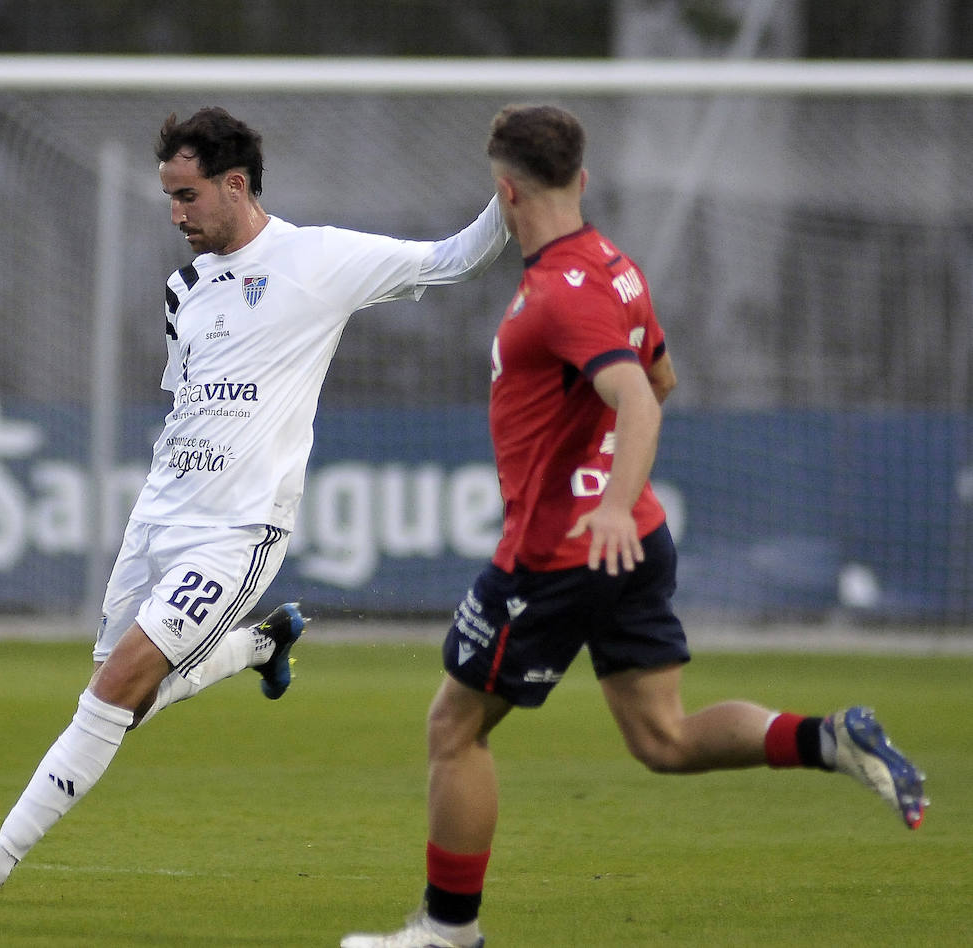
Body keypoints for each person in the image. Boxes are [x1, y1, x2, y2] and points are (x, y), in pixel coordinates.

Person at [340, 104, 928, 948]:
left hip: (559, 553)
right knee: (664, 738)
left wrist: (604, 499)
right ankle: (830, 739)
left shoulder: (557, 294)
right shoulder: (617, 267)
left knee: (453, 730)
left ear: (504, 193)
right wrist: (607, 479)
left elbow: (640, 394)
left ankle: (447, 933)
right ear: (580, 180)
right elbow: (665, 372)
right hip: (634, 544)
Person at [0, 106, 511, 902]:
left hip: (238, 530)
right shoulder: (183, 291)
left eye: (187, 196)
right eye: (169, 197)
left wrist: (509, 184)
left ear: (235, 185)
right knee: (122, 702)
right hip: (158, 516)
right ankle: (260, 648)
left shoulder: (320, 260)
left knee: (112, 693)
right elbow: (191, 402)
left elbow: (456, 259)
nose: (175, 215)